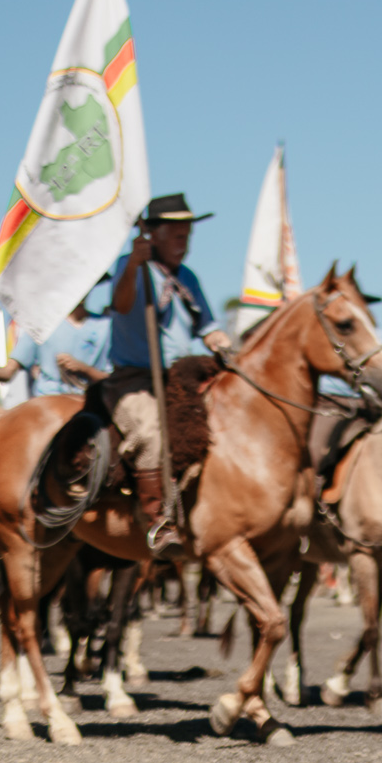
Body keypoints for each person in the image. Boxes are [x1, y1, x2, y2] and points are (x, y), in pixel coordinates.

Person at [106, 193, 235, 555]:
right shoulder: (131, 268)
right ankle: (159, 523)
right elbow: (121, 303)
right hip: (137, 380)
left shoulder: (187, 277)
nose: (184, 242)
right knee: (151, 434)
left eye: (187, 235)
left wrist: (224, 345)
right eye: (177, 235)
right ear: (154, 235)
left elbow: (207, 327)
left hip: (182, 378)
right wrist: (133, 264)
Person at [0, 287, 112, 399]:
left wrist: (84, 369)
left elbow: (113, 378)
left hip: (92, 402)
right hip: (48, 402)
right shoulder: (41, 325)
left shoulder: (105, 326)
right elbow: (6, 373)